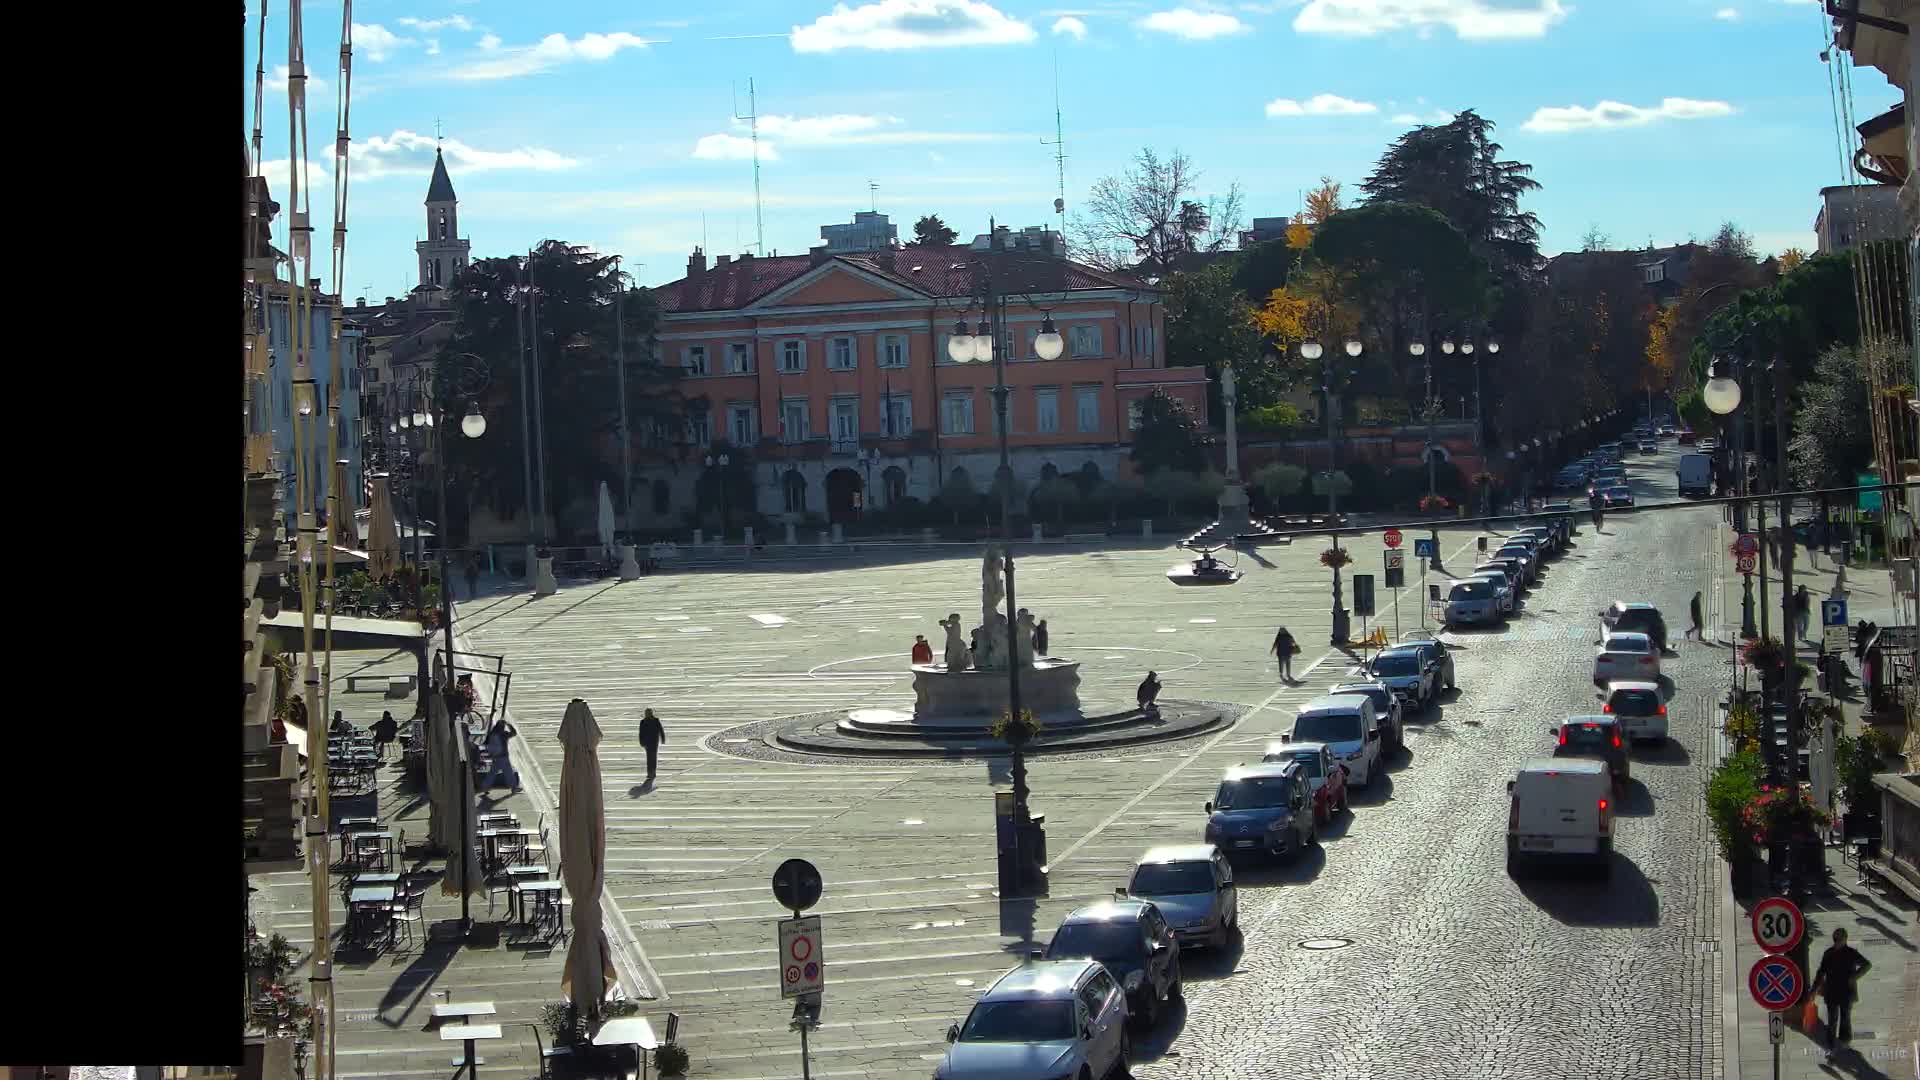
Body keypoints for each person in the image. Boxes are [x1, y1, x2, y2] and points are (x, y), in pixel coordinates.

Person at [1811, 928, 1872, 1054]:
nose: (1838, 942)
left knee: (1845, 1018)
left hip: (1846, 991)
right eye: (1836, 940)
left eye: (1840, 940)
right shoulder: (1828, 953)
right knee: (1832, 1020)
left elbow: (1867, 964)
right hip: (1832, 991)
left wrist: (1853, 977)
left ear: (1845, 939)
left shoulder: (1851, 953)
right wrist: (1814, 989)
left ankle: (1845, 1041)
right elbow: (1821, 972)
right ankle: (1831, 1046)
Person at [481, 716, 520, 792]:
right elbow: (514, 733)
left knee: (492, 773)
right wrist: (509, 725)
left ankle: (485, 787)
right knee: (509, 773)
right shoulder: (504, 734)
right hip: (503, 757)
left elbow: (487, 744)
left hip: (495, 756)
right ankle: (514, 788)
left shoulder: (492, 734)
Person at [639, 708, 665, 783]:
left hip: (654, 742)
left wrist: (662, 738)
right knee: (649, 758)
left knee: (653, 757)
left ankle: (652, 772)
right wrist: (641, 742)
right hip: (648, 742)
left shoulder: (655, 720)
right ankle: (650, 773)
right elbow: (641, 733)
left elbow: (660, 730)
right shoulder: (643, 722)